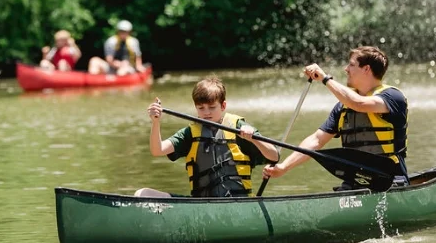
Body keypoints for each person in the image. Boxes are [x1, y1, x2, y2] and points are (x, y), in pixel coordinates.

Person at [263, 46, 409, 190]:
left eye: (351, 65)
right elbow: (316, 140)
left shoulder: (393, 97)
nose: (346, 69)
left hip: (390, 180)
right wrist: (283, 167)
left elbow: (359, 103)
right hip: (355, 182)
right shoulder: (343, 107)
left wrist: (325, 79)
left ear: (366, 69)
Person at [136, 75, 280, 198]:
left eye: (212, 107)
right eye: (201, 108)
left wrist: (253, 139)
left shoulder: (239, 128)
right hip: (201, 205)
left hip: (238, 203)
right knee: (142, 194)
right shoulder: (190, 133)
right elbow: (157, 150)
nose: (206, 113)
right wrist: (156, 122)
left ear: (223, 106)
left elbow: (274, 156)